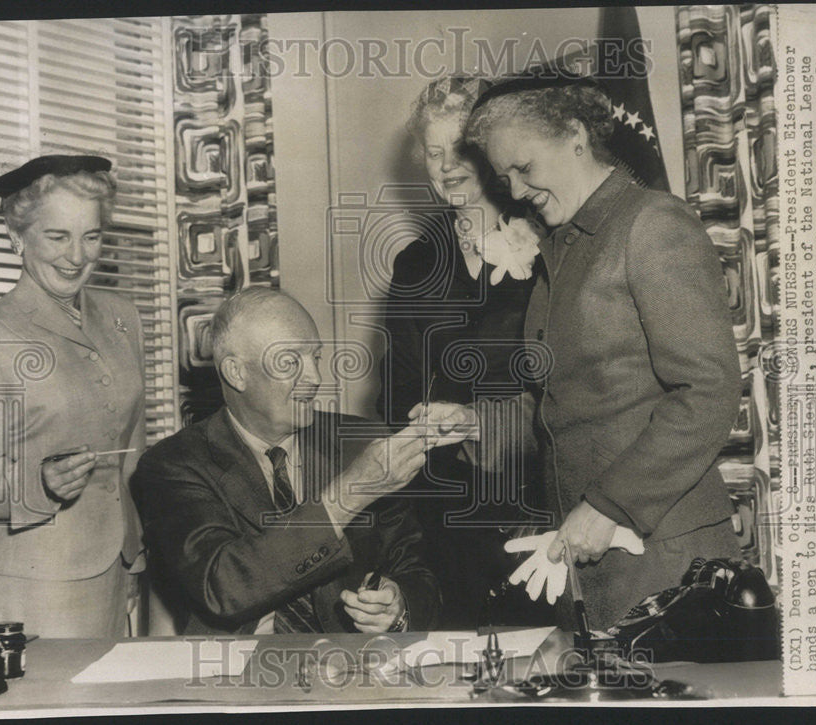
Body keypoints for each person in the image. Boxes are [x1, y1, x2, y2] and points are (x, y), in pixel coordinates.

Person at [422, 72, 743, 629]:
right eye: (505, 177)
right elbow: (562, 405)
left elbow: (708, 391)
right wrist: (478, 426)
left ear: (575, 135)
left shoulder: (651, 224)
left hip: (665, 558)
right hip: (587, 562)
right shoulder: (561, 247)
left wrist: (607, 506)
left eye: (524, 168)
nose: (516, 191)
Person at [131, 288, 441, 635]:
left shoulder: (361, 442)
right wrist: (348, 495)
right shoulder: (174, 464)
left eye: (315, 358)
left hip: (350, 671)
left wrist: (398, 606)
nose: (314, 379)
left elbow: (416, 569)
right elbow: (224, 586)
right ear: (236, 373)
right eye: (290, 361)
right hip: (236, 676)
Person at [0, 154, 146, 638]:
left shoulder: (123, 318)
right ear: (18, 237)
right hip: (40, 585)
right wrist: (39, 482)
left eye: (91, 236)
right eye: (57, 236)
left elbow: (132, 448)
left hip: (122, 568)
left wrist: (136, 555)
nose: (77, 256)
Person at [378, 75, 547, 629]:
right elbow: (398, 393)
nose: (446, 164)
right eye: (433, 150)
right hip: (445, 506)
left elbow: (571, 385)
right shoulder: (414, 262)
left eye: (461, 149)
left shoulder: (550, 241)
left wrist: (483, 424)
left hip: (537, 500)